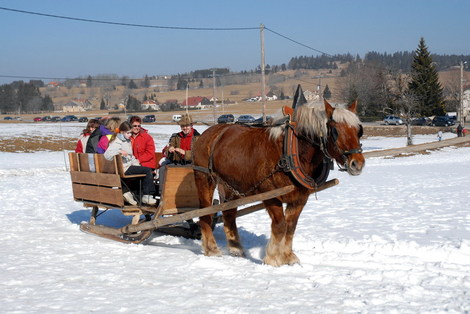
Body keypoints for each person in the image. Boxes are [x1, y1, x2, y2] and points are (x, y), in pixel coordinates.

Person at [104, 121, 156, 205]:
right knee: (147, 171)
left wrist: (138, 165)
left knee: (145, 170)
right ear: (121, 132)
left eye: (130, 133)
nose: (130, 135)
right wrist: (119, 151)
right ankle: (147, 196)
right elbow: (107, 155)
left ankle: (137, 196)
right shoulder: (117, 141)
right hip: (124, 168)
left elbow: (131, 157)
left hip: (127, 166)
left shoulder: (126, 140)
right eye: (128, 133)